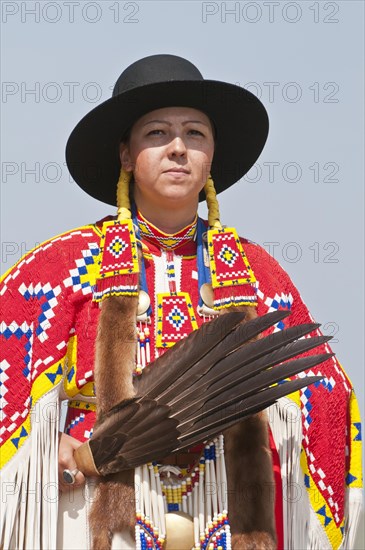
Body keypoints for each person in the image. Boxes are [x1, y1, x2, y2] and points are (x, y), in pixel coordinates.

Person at [0, 54, 362, 550]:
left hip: (225, 507)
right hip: (94, 507)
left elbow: (326, 387)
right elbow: (9, 380)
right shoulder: (63, 265)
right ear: (126, 155)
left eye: (195, 134)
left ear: (211, 156)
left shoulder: (257, 271)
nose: (178, 149)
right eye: (157, 134)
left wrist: (272, 415)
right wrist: (52, 446)